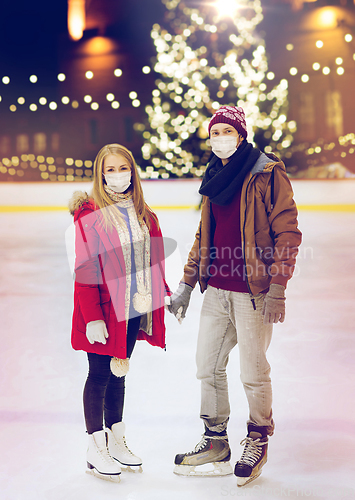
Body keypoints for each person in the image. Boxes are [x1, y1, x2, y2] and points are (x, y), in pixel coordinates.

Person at [167, 106, 302, 486]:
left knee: (253, 372)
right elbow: (203, 237)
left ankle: (258, 437)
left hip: (253, 292)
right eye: (214, 133)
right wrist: (186, 285)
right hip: (218, 291)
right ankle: (216, 441)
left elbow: (288, 234)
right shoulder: (214, 177)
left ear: (241, 135)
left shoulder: (267, 173)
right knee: (206, 366)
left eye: (227, 131)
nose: (220, 138)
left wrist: (277, 288)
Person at [69, 144, 169, 483]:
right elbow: (84, 268)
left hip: (132, 311)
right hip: (102, 312)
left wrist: (163, 296)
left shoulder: (144, 214)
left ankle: (116, 440)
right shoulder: (90, 213)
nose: (117, 175)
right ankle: (95, 446)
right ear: (100, 174)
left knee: (119, 372)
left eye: (122, 168)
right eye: (109, 170)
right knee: (98, 374)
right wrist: (93, 317)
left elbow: (152, 262)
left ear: (133, 171)